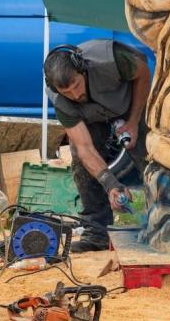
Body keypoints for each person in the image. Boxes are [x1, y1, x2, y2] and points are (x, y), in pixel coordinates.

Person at [43, 40, 150, 252]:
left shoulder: (109, 59)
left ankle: (164, 218)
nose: (75, 95)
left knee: (151, 156)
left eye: (76, 85)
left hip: (131, 101)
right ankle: (96, 231)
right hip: (92, 117)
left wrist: (133, 122)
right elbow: (85, 148)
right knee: (82, 165)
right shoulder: (61, 101)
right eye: (67, 92)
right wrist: (111, 185)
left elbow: (143, 73)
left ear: (82, 70)